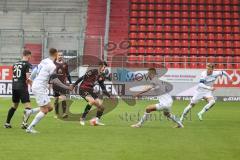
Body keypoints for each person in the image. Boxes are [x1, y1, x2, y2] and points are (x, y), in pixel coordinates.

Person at [26, 48, 72, 133]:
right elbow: (55, 80)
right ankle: (30, 128)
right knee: (45, 110)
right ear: (55, 54)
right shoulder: (52, 66)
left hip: (39, 86)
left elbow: (36, 69)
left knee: (50, 108)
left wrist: (30, 78)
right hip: (39, 87)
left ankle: (30, 112)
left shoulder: (44, 60)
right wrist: (66, 87)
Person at [4, 50, 40, 129]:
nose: (30, 57)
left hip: (14, 86)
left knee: (14, 106)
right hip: (22, 87)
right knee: (28, 106)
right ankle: (24, 123)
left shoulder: (15, 64)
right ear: (28, 55)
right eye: (30, 56)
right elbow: (28, 78)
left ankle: (7, 123)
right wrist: (33, 86)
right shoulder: (28, 65)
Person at [72, 61, 111, 126]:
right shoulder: (93, 71)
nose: (104, 68)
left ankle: (96, 121)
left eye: (105, 67)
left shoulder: (101, 76)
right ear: (100, 66)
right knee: (92, 101)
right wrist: (73, 85)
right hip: (83, 88)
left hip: (91, 90)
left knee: (102, 107)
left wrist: (109, 96)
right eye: (103, 66)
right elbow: (82, 78)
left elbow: (103, 88)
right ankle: (82, 118)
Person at [53, 52, 72, 119]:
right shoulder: (53, 63)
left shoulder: (65, 64)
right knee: (56, 99)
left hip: (63, 84)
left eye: (61, 55)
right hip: (55, 84)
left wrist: (70, 82)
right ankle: (56, 113)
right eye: (59, 55)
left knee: (64, 98)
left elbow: (68, 74)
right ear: (56, 56)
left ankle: (64, 113)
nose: (60, 56)